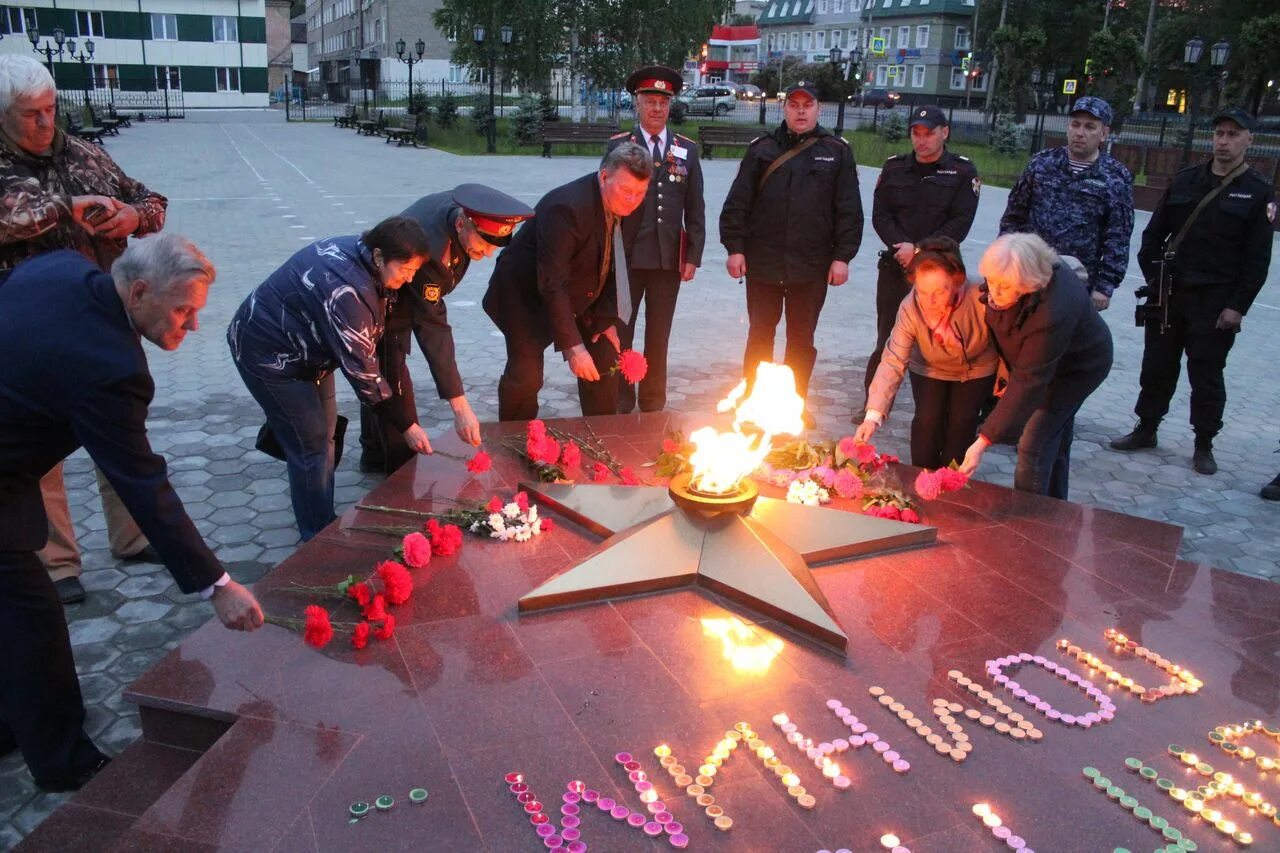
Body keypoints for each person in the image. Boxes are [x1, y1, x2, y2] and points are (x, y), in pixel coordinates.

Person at [0, 234, 263, 792]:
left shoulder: (63, 268)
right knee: (32, 621)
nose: (192, 326)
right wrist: (217, 584)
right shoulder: (110, 368)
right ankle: (63, 760)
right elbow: (143, 484)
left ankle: (10, 721)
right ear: (139, 290)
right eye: (183, 310)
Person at [0, 54, 168, 604]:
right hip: (29, 329)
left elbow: (151, 199)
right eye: (31, 114)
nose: (46, 124)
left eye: (50, 110)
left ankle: (134, 535)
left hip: (104, 314)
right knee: (41, 448)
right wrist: (66, 208)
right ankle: (57, 563)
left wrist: (133, 216)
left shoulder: (84, 151)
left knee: (119, 423)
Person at [228, 217, 435, 540]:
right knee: (310, 444)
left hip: (309, 352)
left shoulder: (364, 256)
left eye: (414, 271)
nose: (409, 279)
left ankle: (320, 513)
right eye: (405, 270)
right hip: (269, 355)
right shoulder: (347, 290)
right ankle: (316, 536)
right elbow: (365, 376)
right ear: (379, 256)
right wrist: (407, 425)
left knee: (324, 438)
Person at [1110, 108, 1276, 476]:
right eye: (1219, 133)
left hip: (1215, 301)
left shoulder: (1257, 192)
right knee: (1157, 365)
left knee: (1206, 373)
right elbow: (1152, 237)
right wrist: (1156, 280)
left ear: (1249, 140)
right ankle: (1146, 428)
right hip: (1171, 295)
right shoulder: (1186, 181)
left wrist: (1238, 307)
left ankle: (1203, 443)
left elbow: (1257, 261)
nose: (1224, 140)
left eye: (1234, 134)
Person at [358, 184, 534, 474]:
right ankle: (398, 474)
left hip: (400, 295)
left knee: (381, 378)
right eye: (484, 243)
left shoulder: (461, 215)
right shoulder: (430, 250)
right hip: (384, 301)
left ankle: (373, 453)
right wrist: (460, 407)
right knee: (393, 385)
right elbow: (433, 329)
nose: (488, 253)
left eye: (495, 245)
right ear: (463, 224)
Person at [719, 80, 862, 421]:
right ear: (785, 108)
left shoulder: (837, 151)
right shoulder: (761, 149)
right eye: (794, 104)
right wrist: (734, 248)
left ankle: (793, 406)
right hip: (764, 263)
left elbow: (849, 209)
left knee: (801, 341)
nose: (800, 111)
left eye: (807, 105)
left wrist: (842, 257)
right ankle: (753, 401)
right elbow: (738, 202)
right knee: (760, 337)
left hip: (811, 266)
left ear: (818, 108)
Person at [484, 142, 652, 421]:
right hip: (526, 295)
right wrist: (574, 348)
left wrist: (608, 317)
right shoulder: (566, 208)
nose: (632, 200)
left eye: (640, 193)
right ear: (604, 177)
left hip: (581, 289)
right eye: (626, 191)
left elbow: (622, 263)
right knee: (526, 376)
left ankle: (600, 435)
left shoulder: (632, 205)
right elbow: (552, 282)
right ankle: (515, 439)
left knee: (604, 358)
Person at [959, 234, 1113, 499]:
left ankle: (1029, 517)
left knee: (1034, 443)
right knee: (1056, 436)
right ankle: (1055, 505)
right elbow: (1011, 341)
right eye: (991, 281)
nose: (993, 293)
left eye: (1004, 287)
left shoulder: (1052, 311)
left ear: (1029, 284)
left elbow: (1030, 379)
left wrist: (983, 441)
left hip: (1077, 369)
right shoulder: (1008, 277)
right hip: (1041, 365)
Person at [857, 105, 980, 422]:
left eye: (929, 133)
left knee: (940, 341)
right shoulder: (895, 168)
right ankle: (873, 404)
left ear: (944, 132)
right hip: (896, 266)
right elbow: (881, 215)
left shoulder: (963, 173)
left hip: (941, 274)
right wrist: (903, 248)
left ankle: (935, 409)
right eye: (917, 133)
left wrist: (921, 250)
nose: (922, 140)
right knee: (888, 336)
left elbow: (960, 224)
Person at [606, 65, 706, 414]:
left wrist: (693, 254)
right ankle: (621, 398)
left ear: (670, 106)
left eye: (663, 102)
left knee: (658, 336)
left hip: (667, 259)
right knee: (623, 333)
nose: (656, 109)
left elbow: (695, 205)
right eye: (649, 101)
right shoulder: (619, 146)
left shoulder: (685, 150)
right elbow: (604, 202)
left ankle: (652, 402)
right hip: (627, 259)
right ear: (637, 103)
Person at [854, 237, 998, 469]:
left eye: (939, 292)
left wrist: (1005, 379)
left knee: (961, 425)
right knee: (927, 422)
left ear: (958, 282)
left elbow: (1007, 340)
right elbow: (893, 360)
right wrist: (872, 417)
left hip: (977, 368)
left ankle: (953, 484)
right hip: (929, 368)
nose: (930, 301)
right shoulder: (910, 308)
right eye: (922, 291)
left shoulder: (982, 296)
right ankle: (922, 481)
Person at [999, 96, 1134, 312]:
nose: (1080, 132)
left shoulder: (1115, 176)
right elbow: (1014, 215)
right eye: (1075, 124)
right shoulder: (1042, 163)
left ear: (1104, 133)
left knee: (1068, 341)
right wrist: (1004, 259)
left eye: (1090, 127)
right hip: (1031, 270)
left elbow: (1118, 235)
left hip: (1078, 279)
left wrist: (1105, 285)